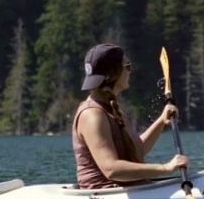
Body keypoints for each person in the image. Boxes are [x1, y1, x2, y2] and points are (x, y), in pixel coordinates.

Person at [72, 43, 189, 188]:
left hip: (133, 188)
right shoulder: (92, 116)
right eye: (127, 66)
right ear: (113, 73)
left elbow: (137, 150)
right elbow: (112, 170)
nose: (130, 71)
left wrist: (161, 121)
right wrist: (165, 168)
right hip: (106, 196)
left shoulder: (113, 109)